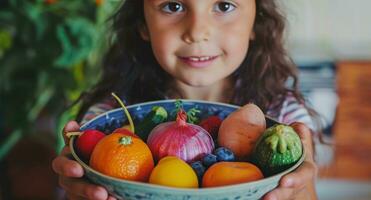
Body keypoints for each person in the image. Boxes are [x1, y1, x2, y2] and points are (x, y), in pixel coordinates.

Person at [52, 0, 319, 199]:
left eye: (224, 6)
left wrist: (302, 190)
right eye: (173, 5)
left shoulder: (285, 118)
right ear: (142, 24)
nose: (197, 31)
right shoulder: (107, 120)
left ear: (256, 22)